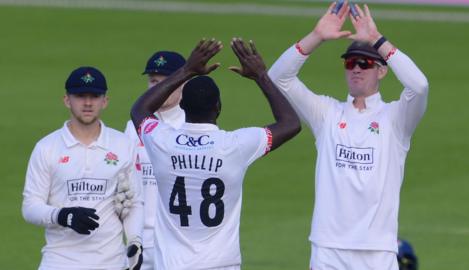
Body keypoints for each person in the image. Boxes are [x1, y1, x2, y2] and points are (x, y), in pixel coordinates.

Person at [268, 1, 429, 269]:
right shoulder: (327, 114)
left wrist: (378, 40)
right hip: (328, 250)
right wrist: (316, 37)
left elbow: (420, 86)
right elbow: (278, 78)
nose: (356, 68)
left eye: (365, 63)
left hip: (377, 251)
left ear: (381, 70)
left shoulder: (396, 119)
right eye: (350, 63)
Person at [131, 38, 301, 270]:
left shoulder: (162, 141)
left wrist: (186, 70)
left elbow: (140, 109)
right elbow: (291, 123)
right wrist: (261, 76)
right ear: (218, 107)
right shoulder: (235, 145)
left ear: (182, 107)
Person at [22, 66, 144, 270]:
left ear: (105, 101)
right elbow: (30, 207)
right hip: (59, 262)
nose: (88, 103)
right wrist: (63, 216)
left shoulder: (123, 145)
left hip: (111, 263)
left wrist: (135, 240)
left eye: (95, 96)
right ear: (66, 100)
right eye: (80, 96)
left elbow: (134, 201)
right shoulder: (47, 147)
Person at [123, 50, 186, 270]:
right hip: (140, 240)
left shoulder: (192, 125)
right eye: (153, 81)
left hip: (178, 243)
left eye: (164, 82)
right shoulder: (134, 127)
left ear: (183, 84)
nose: (157, 88)